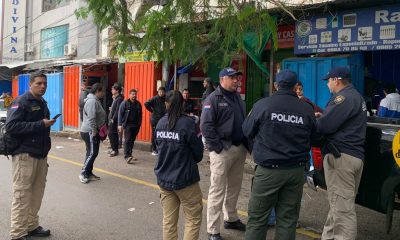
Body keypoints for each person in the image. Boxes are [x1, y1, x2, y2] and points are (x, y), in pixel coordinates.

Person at [242, 69, 317, 240]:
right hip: (295, 171)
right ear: (295, 86)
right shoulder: (306, 109)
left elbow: (247, 130)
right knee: (288, 220)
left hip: (268, 171)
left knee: (258, 219)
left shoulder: (263, 105)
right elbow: (315, 138)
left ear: (276, 85)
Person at [316, 66, 367, 240]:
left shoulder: (343, 98)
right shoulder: (356, 97)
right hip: (352, 157)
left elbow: (324, 126)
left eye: (328, 80)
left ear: (336, 80)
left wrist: (317, 119)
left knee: (343, 213)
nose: (328, 84)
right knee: (338, 206)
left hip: (341, 159)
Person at [5, 72, 55, 240]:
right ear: (30, 84)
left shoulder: (41, 102)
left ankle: (31, 226)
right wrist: (40, 124)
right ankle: (17, 233)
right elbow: (11, 126)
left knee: (36, 193)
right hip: (24, 156)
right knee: (22, 194)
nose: (43, 86)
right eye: (39, 83)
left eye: (45, 83)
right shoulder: (21, 101)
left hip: (40, 155)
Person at [200, 67, 248, 240]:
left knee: (234, 187)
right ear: (222, 80)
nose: (236, 81)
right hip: (222, 151)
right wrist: (218, 148)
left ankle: (231, 218)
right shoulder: (213, 99)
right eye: (232, 78)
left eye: (237, 77)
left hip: (239, 149)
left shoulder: (238, 98)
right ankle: (213, 230)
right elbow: (206, 127)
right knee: (217, 190)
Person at [155, 90, 204, 240]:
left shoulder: (160, 123)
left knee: (169, 222)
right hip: (185, 180)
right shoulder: (188, 123)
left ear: (166, 104)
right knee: (193, 219)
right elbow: (198, 152)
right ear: (182, 104)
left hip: (164, 179)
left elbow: (158, 148)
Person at [79, 83, 106, 184]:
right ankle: (83, 173)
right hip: (90, 131)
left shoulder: (95, 100)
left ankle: (89, 173)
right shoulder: (92, 102)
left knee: (91, 152)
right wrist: (94, 131)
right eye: (102, 91)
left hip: (92, 131)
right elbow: (91, 118)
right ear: (98, 91)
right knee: (92, 153)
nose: (103, 93)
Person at [118, 89, 142, 163]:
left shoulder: (138, 104)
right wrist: (119, 124)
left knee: (132, 140)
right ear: (129, 95)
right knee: (127, 140)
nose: (134, 96)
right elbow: (120, 114)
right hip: (128, 125)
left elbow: (140, 114)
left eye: (135, 94)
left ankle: (130, 154)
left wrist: (139, 123)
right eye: (132, 94)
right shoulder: (125, 103)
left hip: (136, 125)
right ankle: (127, 156)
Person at [144, 86, 166, 155]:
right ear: (158, 92)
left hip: (163, 119)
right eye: (160, 92)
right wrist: (152, 110)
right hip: (155, 119)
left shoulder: (166, 98)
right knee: (155, 134)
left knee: (162, 134)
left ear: (164, 92)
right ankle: (154, 149)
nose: (161, 93)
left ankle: (160, 148)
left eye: (162, 92)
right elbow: (146, 103)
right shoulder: (155, 98)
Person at [108, 83, 124, 157]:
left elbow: (118, 110)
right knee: (111, 134)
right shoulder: (116, 97)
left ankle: (115, 150)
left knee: (112, 134)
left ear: (117, 90)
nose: (112, 90)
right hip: (112, 118)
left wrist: (113, 119)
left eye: (113, 89)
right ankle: (113, 148)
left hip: (115, 119)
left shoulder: (120, 98)